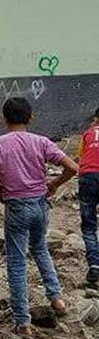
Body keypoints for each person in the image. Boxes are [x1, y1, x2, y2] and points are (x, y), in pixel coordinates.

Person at [0, 97, 77, 335]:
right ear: (31, 118)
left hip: (16, 206)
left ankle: (23, 320)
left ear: (3, 119)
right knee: (40, 248)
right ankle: (56, 298)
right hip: (40, 204)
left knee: (16, 262)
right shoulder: (41, 142)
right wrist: (54, 184)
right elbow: (73, 168)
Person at [77, 107, 99, 285]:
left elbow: (81, 157)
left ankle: (94, 265)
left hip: (88, 177)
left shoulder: (87, 134)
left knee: (89, 224)